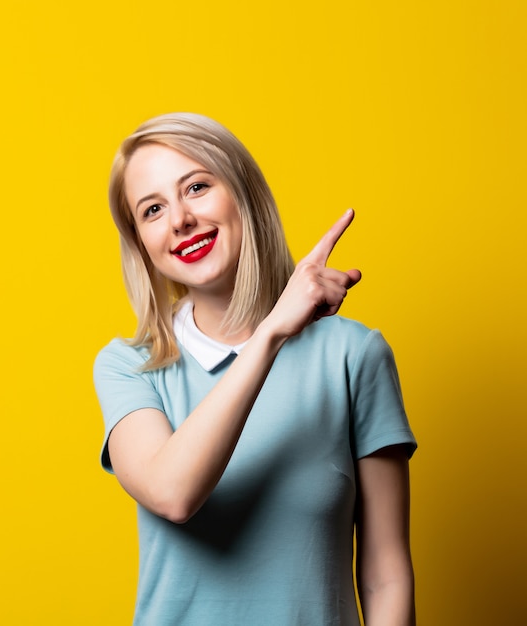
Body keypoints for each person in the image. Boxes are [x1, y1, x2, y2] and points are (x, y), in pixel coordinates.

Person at [94, 113, 417, 626]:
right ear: (141, 244)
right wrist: (270, 335)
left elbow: (386, 572)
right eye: (152, 209)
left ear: (243, 193)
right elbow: (172, 494)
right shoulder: (129, 366)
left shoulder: (354, 355)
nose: (180, 219)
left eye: (196, 186)